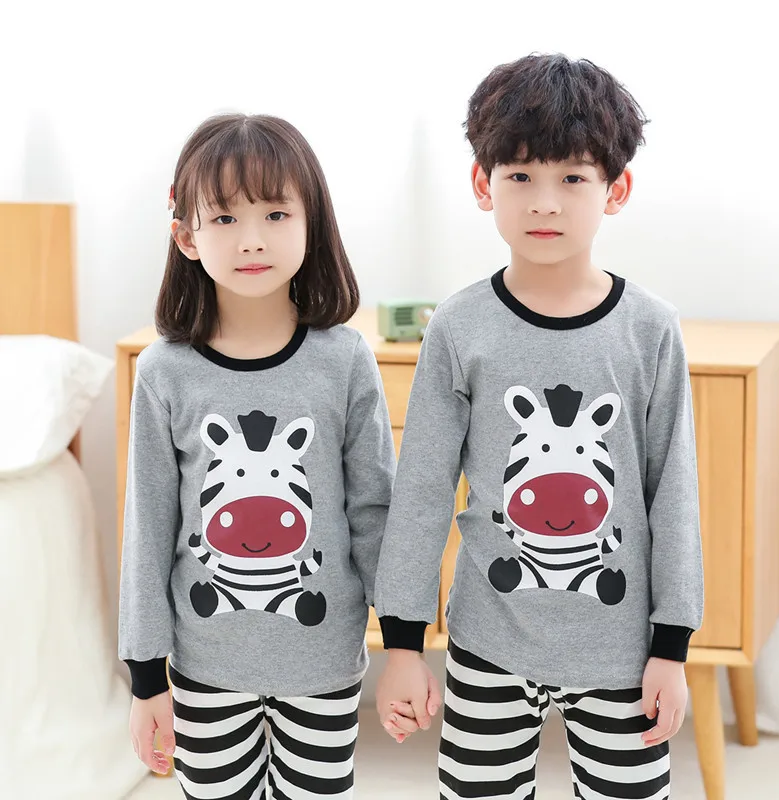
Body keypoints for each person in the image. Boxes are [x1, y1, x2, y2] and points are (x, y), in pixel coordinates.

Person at [374, 53, 703, 800]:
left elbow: (673, 496)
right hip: (488, 639)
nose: (545, 203)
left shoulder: (651, 329)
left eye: (573, 178)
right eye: (520, 176)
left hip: (621, 651)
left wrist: (672, 646)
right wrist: (403, 645)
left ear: (615, 190)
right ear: (482, 183)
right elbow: (422, 492)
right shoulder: (459, 326)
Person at [119, 113, 396, 800]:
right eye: (225, 218)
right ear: (187, 236)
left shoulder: (345, 361)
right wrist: (147, 678)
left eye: (275, 214)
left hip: (323, 661)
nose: (251, 239)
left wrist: (403, 645)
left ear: (311, 224)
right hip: (204, 667)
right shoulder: (164, 372)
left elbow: (374, 514)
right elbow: (148, 532)